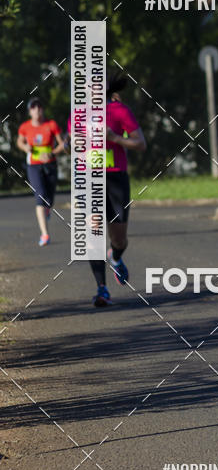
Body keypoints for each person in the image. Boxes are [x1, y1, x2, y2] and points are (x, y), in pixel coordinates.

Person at [70, 73, 146, 307]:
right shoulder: (78, 114)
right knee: (93, 231)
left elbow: (141, 144)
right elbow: (70, 144)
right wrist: (69, 145)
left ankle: (115, 257)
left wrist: (114, 137)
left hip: (116, 179)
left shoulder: (119, 111)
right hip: (88, 179)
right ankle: (101, 289)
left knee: (119, 238)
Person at [17, 98, 65, 246]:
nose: (37, 110)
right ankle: (45, 234)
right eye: (33, 107)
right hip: (33, 166)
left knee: (49, 198)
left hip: (50, 165)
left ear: (42, 109)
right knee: (40, 196)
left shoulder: (51, 125)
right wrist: (25, 148)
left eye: (39, 107)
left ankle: (47, 208)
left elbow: (63, 144)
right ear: (30, 111)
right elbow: (19, 141)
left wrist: (52, 153)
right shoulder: (25, 127)